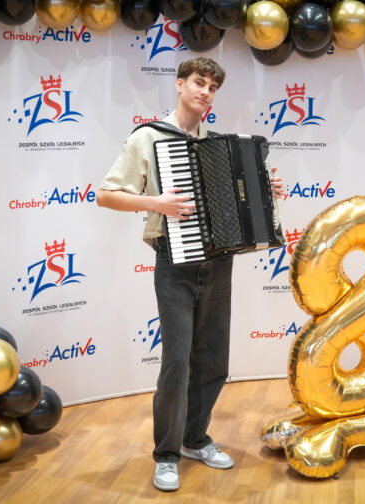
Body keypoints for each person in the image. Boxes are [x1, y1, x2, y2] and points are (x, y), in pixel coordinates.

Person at [96, 57, 284, 492]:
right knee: (177, 363)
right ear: (180, 85)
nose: (205, 92)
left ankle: (195, 439)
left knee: (214, 359)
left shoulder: (218, 144)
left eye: (213, 88)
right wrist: (156, 203)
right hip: (175, 265)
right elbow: (105, 195)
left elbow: (241, 203)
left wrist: (266, 189)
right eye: (199, 83)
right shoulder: (149, 136)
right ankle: (166, 454)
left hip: (219, 263)